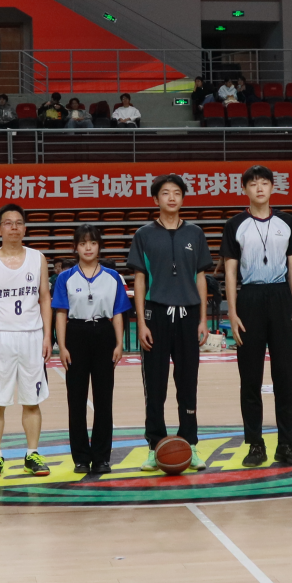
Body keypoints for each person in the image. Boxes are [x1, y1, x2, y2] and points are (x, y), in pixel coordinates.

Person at [223, 166, 292, 467]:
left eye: (264, 183)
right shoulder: (235, 224)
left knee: (285, 376)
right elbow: (230, 271)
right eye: (253, 184)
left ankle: (287, 444)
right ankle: (255, 444)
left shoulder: (287, 222)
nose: (259, 188)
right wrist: (232, 311)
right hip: (249, 298)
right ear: (244, 189)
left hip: (281, 296)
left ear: (273, 187)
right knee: (250, 378)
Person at [129, 176, 210, 466]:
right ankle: (155, 446)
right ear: (156, 199)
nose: (172, 198)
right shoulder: (144, 234)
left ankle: (191, 443)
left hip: (188, 316)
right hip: (156, 315)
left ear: (183, 198)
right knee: (155, 385)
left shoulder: (195, 233)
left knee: (188, 383)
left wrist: (203, 319)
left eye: (177, 193)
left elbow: (201, 277)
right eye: (165, 193)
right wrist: (141, 322)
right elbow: (139, 279)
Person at [0, 203, 52, 477]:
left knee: (32, 400)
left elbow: (44, 298)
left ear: (25, 228)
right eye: (8, 223)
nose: (14, 227)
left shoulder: (37, 258)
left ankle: (32, 453)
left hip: (31, 336)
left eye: (18, 223)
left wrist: (47, 335)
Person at [53, 224, 130, 477]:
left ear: (99, 246)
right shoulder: (65, 278)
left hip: (104, 334)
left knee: (103, 399)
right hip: (75, 334)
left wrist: (119, 343)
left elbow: (118, 313)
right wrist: (62, 346)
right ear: (75, 247)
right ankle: (81, 458)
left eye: (93, 243)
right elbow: (61, 313)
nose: (88, 248)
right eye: (83, 243)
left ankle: (101, 457)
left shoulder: (112, 277)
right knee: (76, 400)